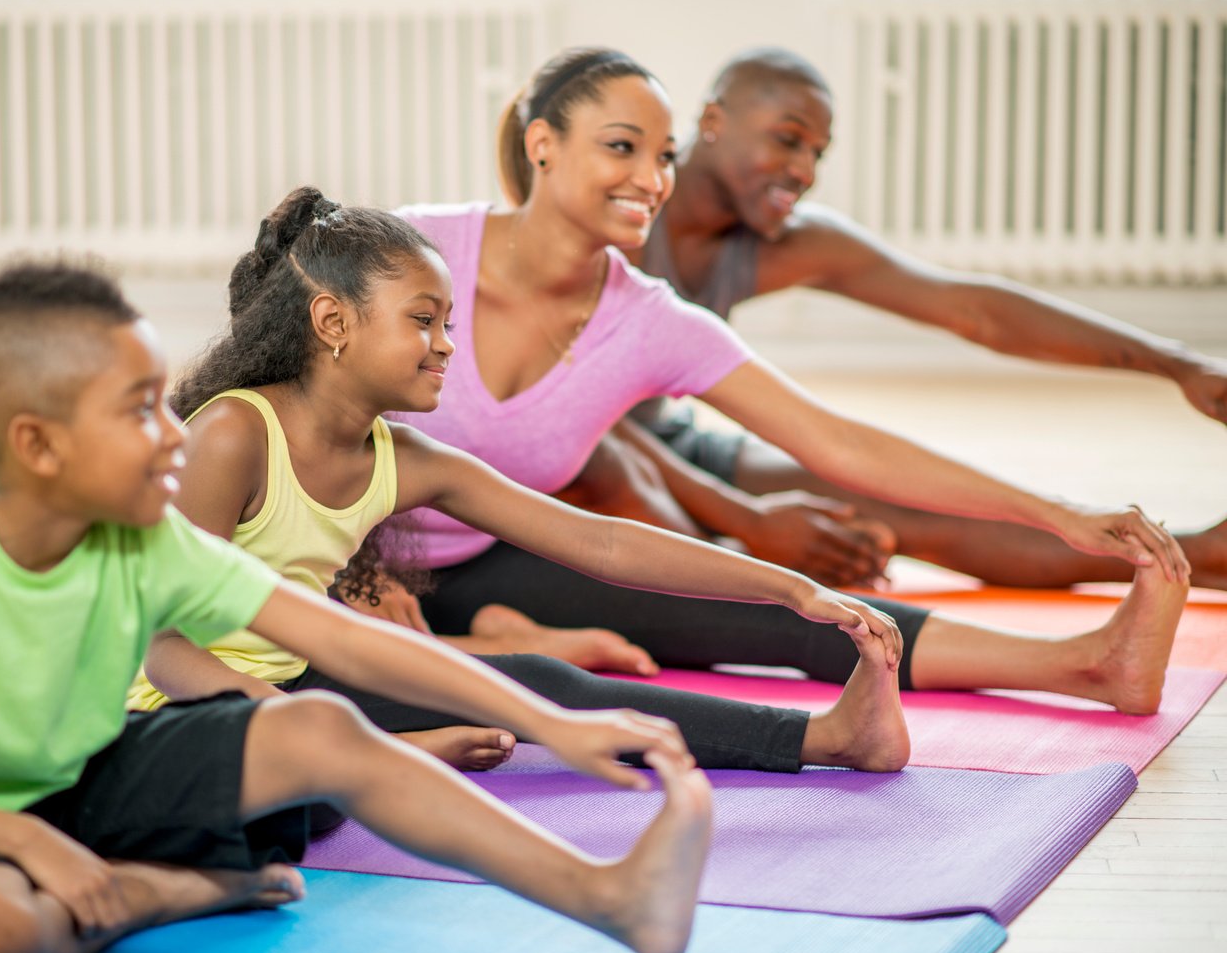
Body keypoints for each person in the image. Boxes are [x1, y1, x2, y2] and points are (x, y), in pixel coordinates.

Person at [0, 261, 719, 953]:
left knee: (317, 720)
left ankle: (610, 896)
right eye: (140, 410)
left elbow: (344, 642)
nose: (173, 430)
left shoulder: (142, 541)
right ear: (37, 444)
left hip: (78, 779)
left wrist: (553, 720)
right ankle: (167, 892)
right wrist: (24, 840)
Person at [358, 46, 1189, 715]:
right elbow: (280, 408)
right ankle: (489, 644)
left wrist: (1059, 512)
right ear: (543, 144)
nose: (651, 178)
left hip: (478, 557)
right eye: (622, 147)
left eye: (664, 156)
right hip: (318, 555)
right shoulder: (414, 248)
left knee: (766, 598)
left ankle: (1086, 665)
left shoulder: (648, 319)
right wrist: (356, 568)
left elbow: (837, 442)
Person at [127, 186, 912, 778]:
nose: (445, 347)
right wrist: (359, 743)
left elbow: (600, 542)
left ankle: (827, 738)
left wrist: (790, 587)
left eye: (448, 324)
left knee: (537, 683)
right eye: (422, 321)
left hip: (294, 684)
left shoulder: (403, 457)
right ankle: (378, 760)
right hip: (172, 711)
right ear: (333, 323)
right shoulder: (232, 436)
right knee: (309, 792)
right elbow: (164, 651)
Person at [569, 46, 1227, 590]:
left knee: (901, 508)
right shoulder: (612, 210)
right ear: (713, 119)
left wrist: (1176, 363)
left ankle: (1196, 555)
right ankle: (731, 551)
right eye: (787, 140)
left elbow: (973, 309)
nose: (802, 170)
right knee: (701, 544)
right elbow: (574, 425)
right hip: (582, 460)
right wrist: (749, 520)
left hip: (675, 443)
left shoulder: (782, 240)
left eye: (817, 154)